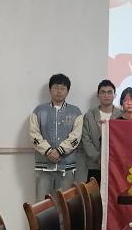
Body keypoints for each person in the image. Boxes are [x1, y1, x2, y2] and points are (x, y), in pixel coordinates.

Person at [29, 73, 84, 201]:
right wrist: (48, 151)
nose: (59, 91)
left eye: (63, 88)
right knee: (41, 205)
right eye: (56, 88)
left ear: (67, 91)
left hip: (66, 167)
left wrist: (59, 151)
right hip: (43, 166)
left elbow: (76, 137)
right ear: (50, 89)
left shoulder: (75, 112)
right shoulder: (39, 111)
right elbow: (34, 134)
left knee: (66, 205)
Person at [80, 79, 121, 183]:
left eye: (109, 92)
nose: (106, 95)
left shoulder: (121, 115)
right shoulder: (89, 115)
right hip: (95, 165)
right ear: (98, 96)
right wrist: (98, 158)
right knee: (94, 193)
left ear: (115, 95)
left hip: (116, 166)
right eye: (103, 92)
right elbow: (86, 139)